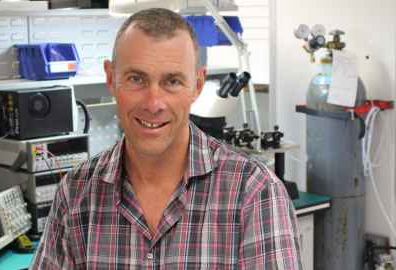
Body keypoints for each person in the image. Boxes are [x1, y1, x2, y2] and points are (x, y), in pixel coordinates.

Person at [30, 8, 302, 269]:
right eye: (136, 79)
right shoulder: (76, 193)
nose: (154, 103)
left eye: (172, 81)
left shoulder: (255, 192)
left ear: (196, 85)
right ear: (111, 79)